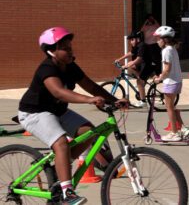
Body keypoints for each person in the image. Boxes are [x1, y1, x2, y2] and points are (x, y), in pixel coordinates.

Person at [18, 27, 128, 205]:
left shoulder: (70, 66)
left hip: (58, 111)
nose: (70, 51)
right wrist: (89, 100)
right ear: (51, 50)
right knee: (61, 143)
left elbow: (91, 86)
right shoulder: (47, 68)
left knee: (89, 132)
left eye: (70, 47)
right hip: (34, 113)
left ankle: (60, 167)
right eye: (66, 48)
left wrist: (114, 100)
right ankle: (67, 193)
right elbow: (59, 92)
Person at [153, 26, 189, 141]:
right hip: (177, 81)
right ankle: (183, 129)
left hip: (170, 82)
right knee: (172, 107)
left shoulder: (166, 51)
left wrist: (159, 78)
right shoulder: (172, 48)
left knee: (169, 108)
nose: (157, 41)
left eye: (158, 38)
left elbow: (167, 69)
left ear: (165, 39)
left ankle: (174, 133)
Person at [114, 31, 153, 108]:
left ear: (137, 39)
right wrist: (119, 59)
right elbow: (130, 53)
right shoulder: (137, 46)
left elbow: (138, 59)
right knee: (133, 67)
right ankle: (141, 83)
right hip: (142, 65)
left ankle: (143, 101)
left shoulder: (142, 46)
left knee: (139, 81)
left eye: (132, 40)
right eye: (130, 40)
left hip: (149, 65)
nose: (131, 42)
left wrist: (126, 65)